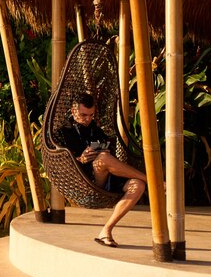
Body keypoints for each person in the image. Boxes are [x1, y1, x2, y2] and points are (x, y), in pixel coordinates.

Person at [58, 91, 147, 248]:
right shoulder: (64, 132)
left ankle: (106, 230)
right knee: (103, 160)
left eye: (91, 115)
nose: (88, 119)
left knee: (138, 185)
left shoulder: (95, 129)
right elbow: (60, 162)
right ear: (73, 111)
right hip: (86, 181)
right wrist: (80, 158)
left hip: (108, 177)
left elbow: (107, 147)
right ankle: (153, 180)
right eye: (84, 115)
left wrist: (104, 150)